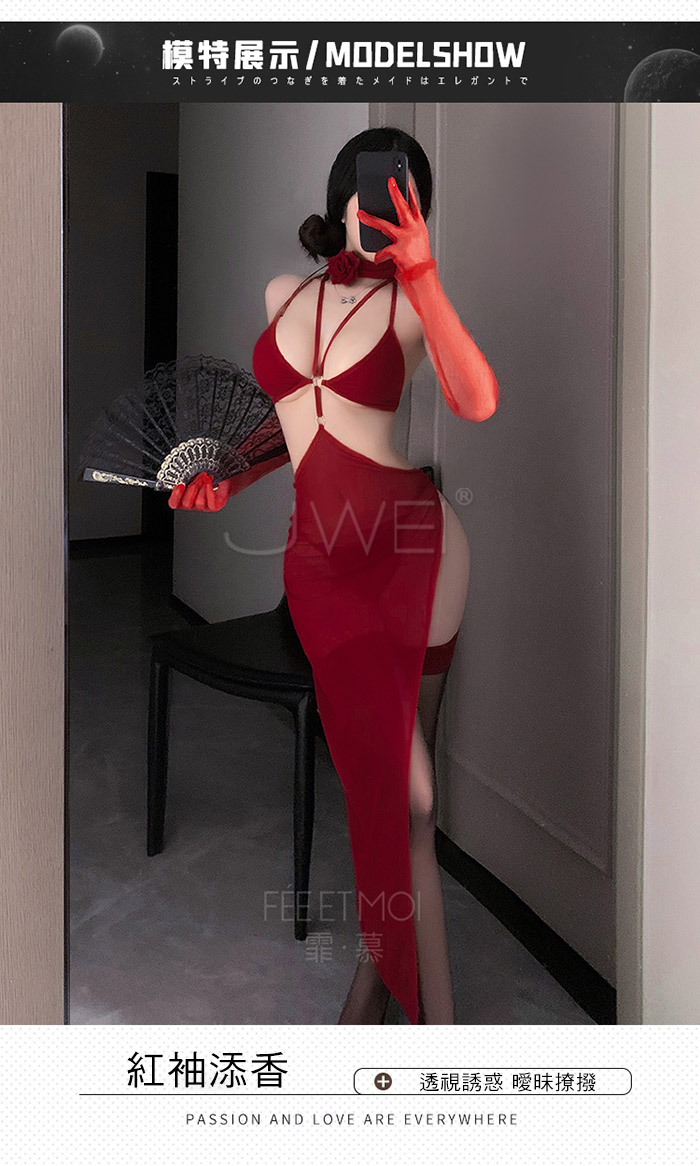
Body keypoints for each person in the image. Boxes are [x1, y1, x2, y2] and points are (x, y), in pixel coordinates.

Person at [170, 127, 498, 1024]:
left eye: (407, 198)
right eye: (375, 191)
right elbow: (294, 423)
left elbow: (477, 400)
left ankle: (428, 1027)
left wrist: (423, 272)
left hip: (417, 550)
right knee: (397, 795)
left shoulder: (412, 305)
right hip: (322, 565)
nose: (385, 209)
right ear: (342, 196)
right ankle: (378, 981)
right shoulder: (285, 294)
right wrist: (227, 477)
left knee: (411, 803)